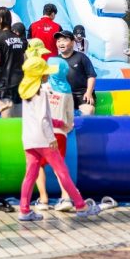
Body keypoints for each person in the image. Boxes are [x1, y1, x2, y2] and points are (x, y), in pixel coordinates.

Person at [16, 55, 99, 221]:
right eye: (45, 72)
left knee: (30, 176)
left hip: (29, 140)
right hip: (45, 140)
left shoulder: (26, 94)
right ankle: (81, 205)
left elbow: (38, 118)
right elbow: (43, 120)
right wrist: (51, 138)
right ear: (39, 75)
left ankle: (24, 210)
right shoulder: (41, 94)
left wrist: (59, 123)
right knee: (62, 172)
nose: (48, 75)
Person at [40, 57, 77, 212]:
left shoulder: (43, 88)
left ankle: (43, 199)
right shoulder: (67, 90)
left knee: (38, 165)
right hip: (60, 133)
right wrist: (66, 127)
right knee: (59, 166)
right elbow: (70, 116)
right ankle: (66, 197)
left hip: (42, 132)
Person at [0, 7, 25, 118]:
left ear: (0, 19)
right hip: (20, 82)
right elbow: (25, 60)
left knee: (7, 121)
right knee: (19, 120)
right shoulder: (18, 39)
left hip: (5, 84)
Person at [53, 30, 97, 114]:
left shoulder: (81, 57)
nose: (61, 43)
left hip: (82, 93)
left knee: (88, 110)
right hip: (65, 94)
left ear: (72, 43)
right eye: (58, 41)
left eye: (65, 40)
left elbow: (91, 76)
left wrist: (89, 92)